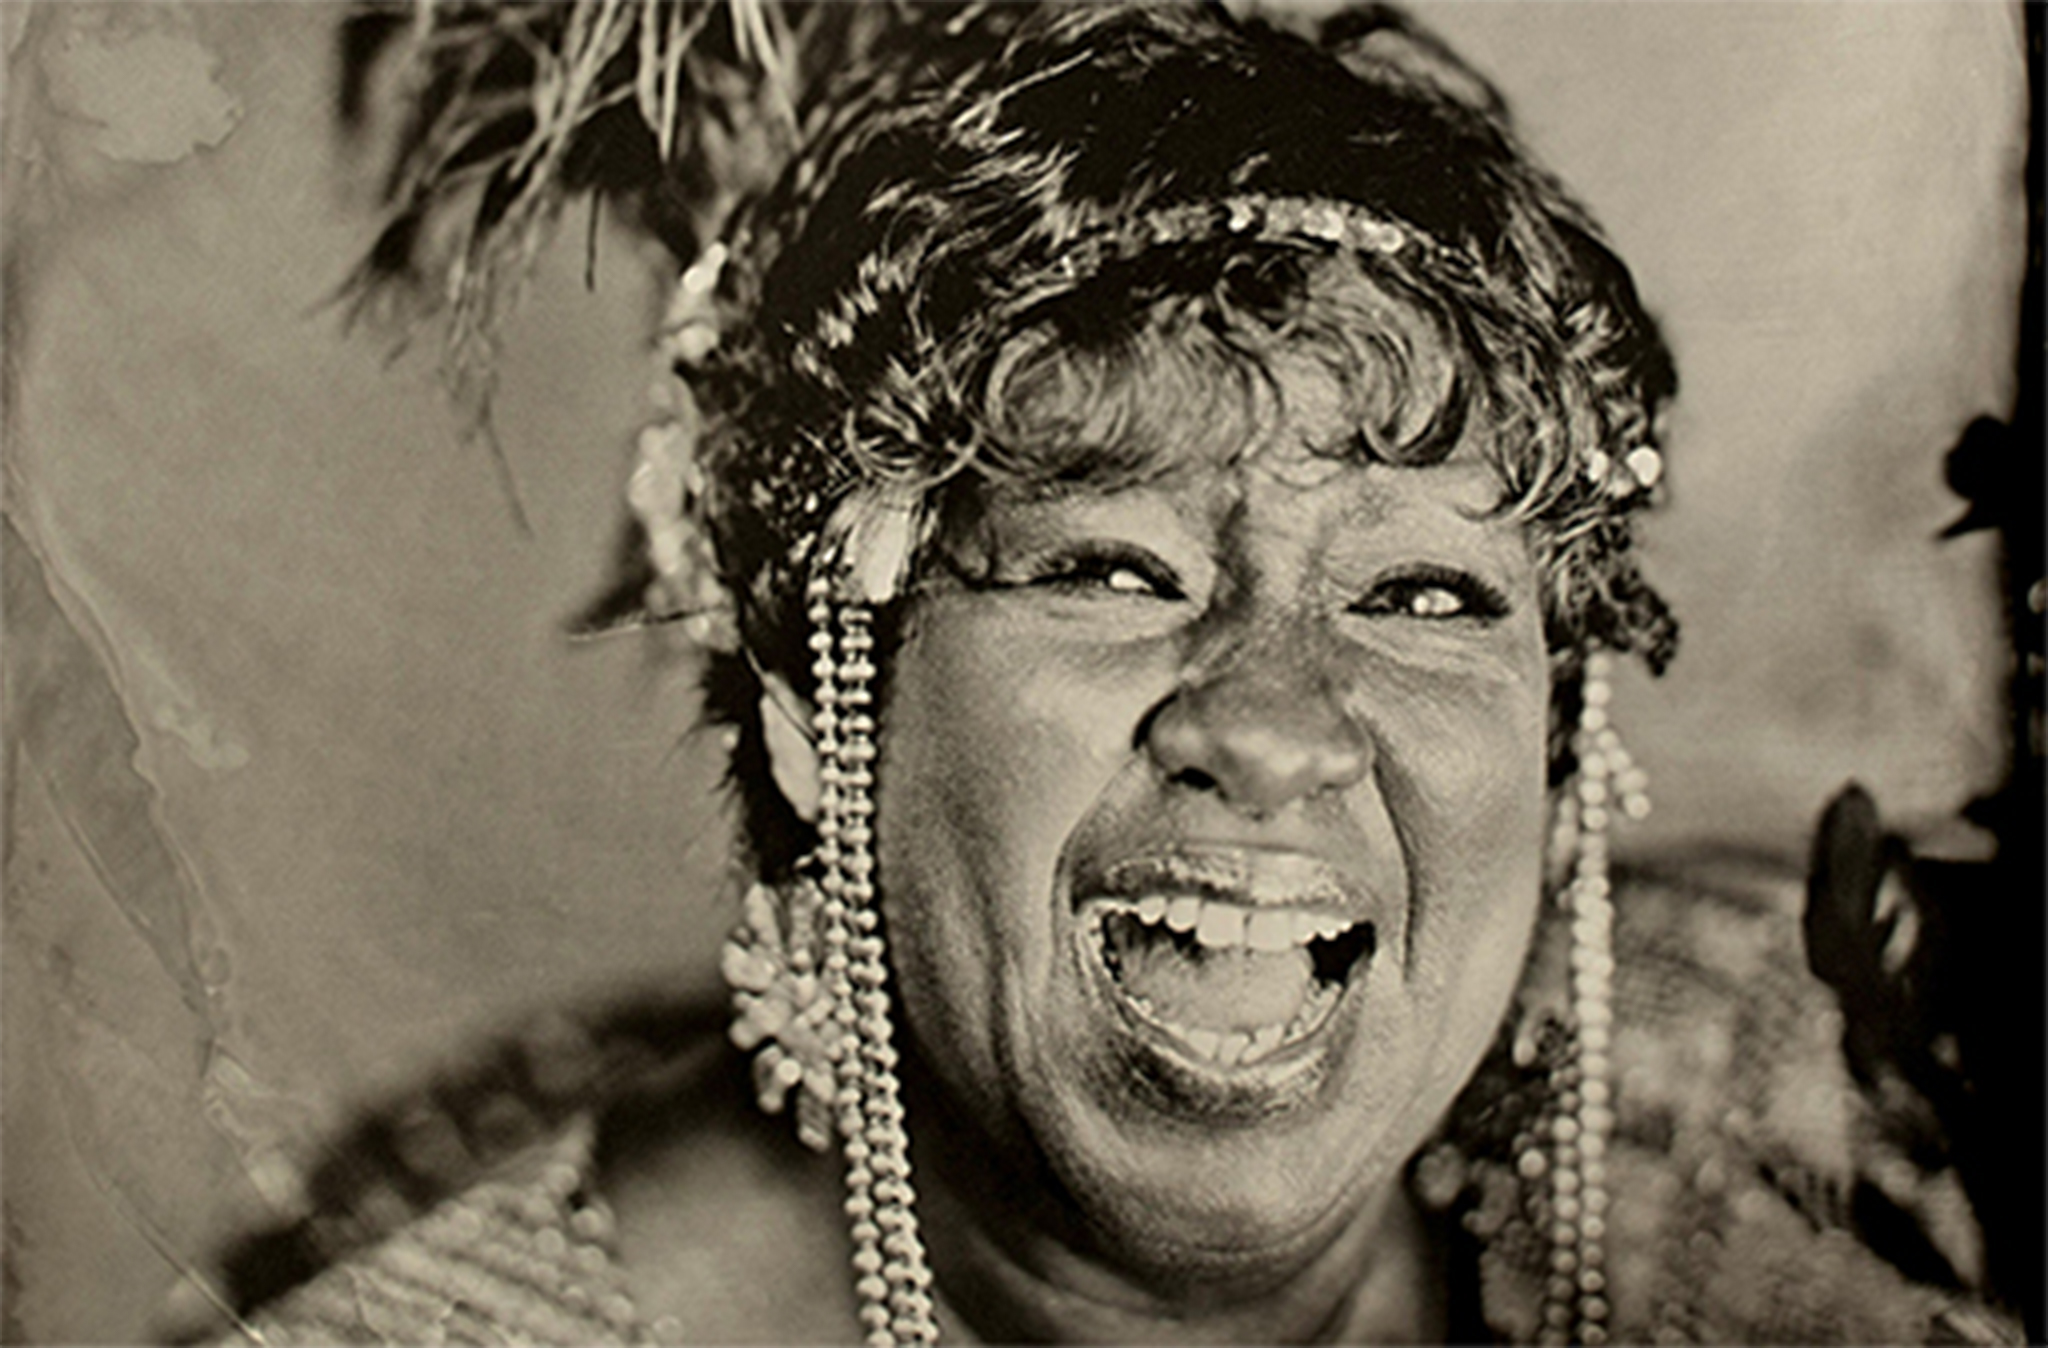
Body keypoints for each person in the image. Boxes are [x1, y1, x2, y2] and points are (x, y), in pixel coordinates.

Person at [185, 3, 2017, 1343]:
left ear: (1559, 747)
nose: (1275, 729)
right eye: (1110, 569)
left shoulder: (1841, 1125)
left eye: (1425, 596)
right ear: (819, 715)